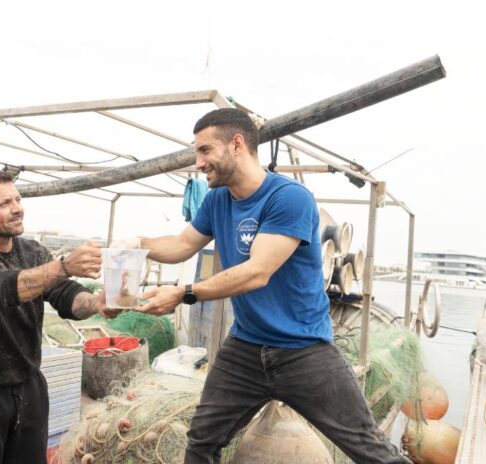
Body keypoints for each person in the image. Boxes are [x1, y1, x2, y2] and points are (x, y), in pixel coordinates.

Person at [127, 108, 411, 463]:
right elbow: (182, 245)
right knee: (201, 441)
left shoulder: (289, 198)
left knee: (369, 448)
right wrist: (136, 244)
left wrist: (184, 293)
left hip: (304, 349)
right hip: (245, 347)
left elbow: (257, 272)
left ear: (236, 144)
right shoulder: (217, 199)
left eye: (204, 150)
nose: (198, 163)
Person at [0, 169, 116, 464]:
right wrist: (63, 266)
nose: (17, 208)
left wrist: (95, 303)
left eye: (17, 199)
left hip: (28, 387)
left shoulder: (32, 252)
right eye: (4, 203)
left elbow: (66, 295)